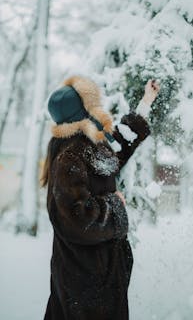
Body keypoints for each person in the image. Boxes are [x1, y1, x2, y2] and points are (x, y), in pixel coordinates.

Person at [42, 76, 160, 320]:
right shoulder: (69, 157)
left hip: (99, 280)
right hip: (84, 285)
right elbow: (77, 219)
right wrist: (114, 203)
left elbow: (119, 149)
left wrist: (146, 102)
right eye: (92, 104)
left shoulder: (87, 146)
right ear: (82, 112)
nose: (99, 109)